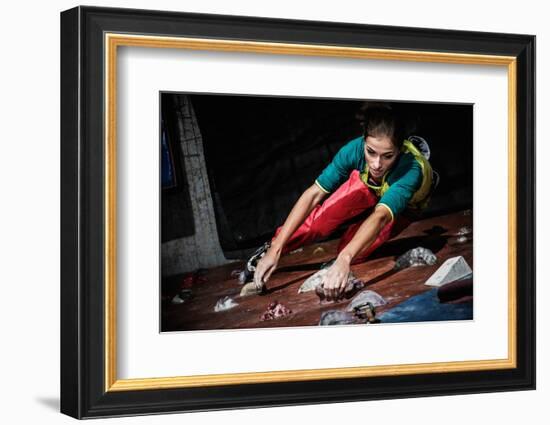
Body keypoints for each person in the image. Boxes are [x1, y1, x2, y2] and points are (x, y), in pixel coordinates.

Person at [246, 103, 435, 301]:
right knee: (319, 221)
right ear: (363, 141)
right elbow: (313, 194)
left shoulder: (411, 169)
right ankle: (268, 251)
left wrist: (344, 259)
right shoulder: (352, 150)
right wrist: (275, 249)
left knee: (353, 250)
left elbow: (380, 216)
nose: (377, 164)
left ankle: (341, 258)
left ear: (399, 149)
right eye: (371, 152)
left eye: (388, 156)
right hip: (369, 185)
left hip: (402, 206)